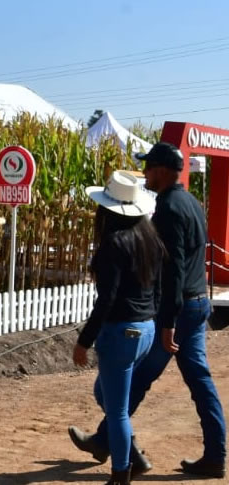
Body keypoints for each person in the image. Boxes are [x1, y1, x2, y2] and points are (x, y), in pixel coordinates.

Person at [69, 142, 226, 479]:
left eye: (150, 168)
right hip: (198, 303)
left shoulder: (167, 207)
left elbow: (174, 269)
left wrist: (166, 322)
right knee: (197, 382)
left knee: (129, 382)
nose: (147, 174)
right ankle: (214, 453)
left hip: (178, 310)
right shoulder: (192, 202)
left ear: (164, 171)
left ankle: (115, 447)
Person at [73, 170, 166, 484]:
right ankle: (129, 453)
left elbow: (107, 300)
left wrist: (84, 340)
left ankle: (121, 472)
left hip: (122, 332)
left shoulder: (113, 243)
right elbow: (158, 288)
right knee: (106, 395)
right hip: (145, 330)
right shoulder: (148, 237)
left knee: (116, 410)